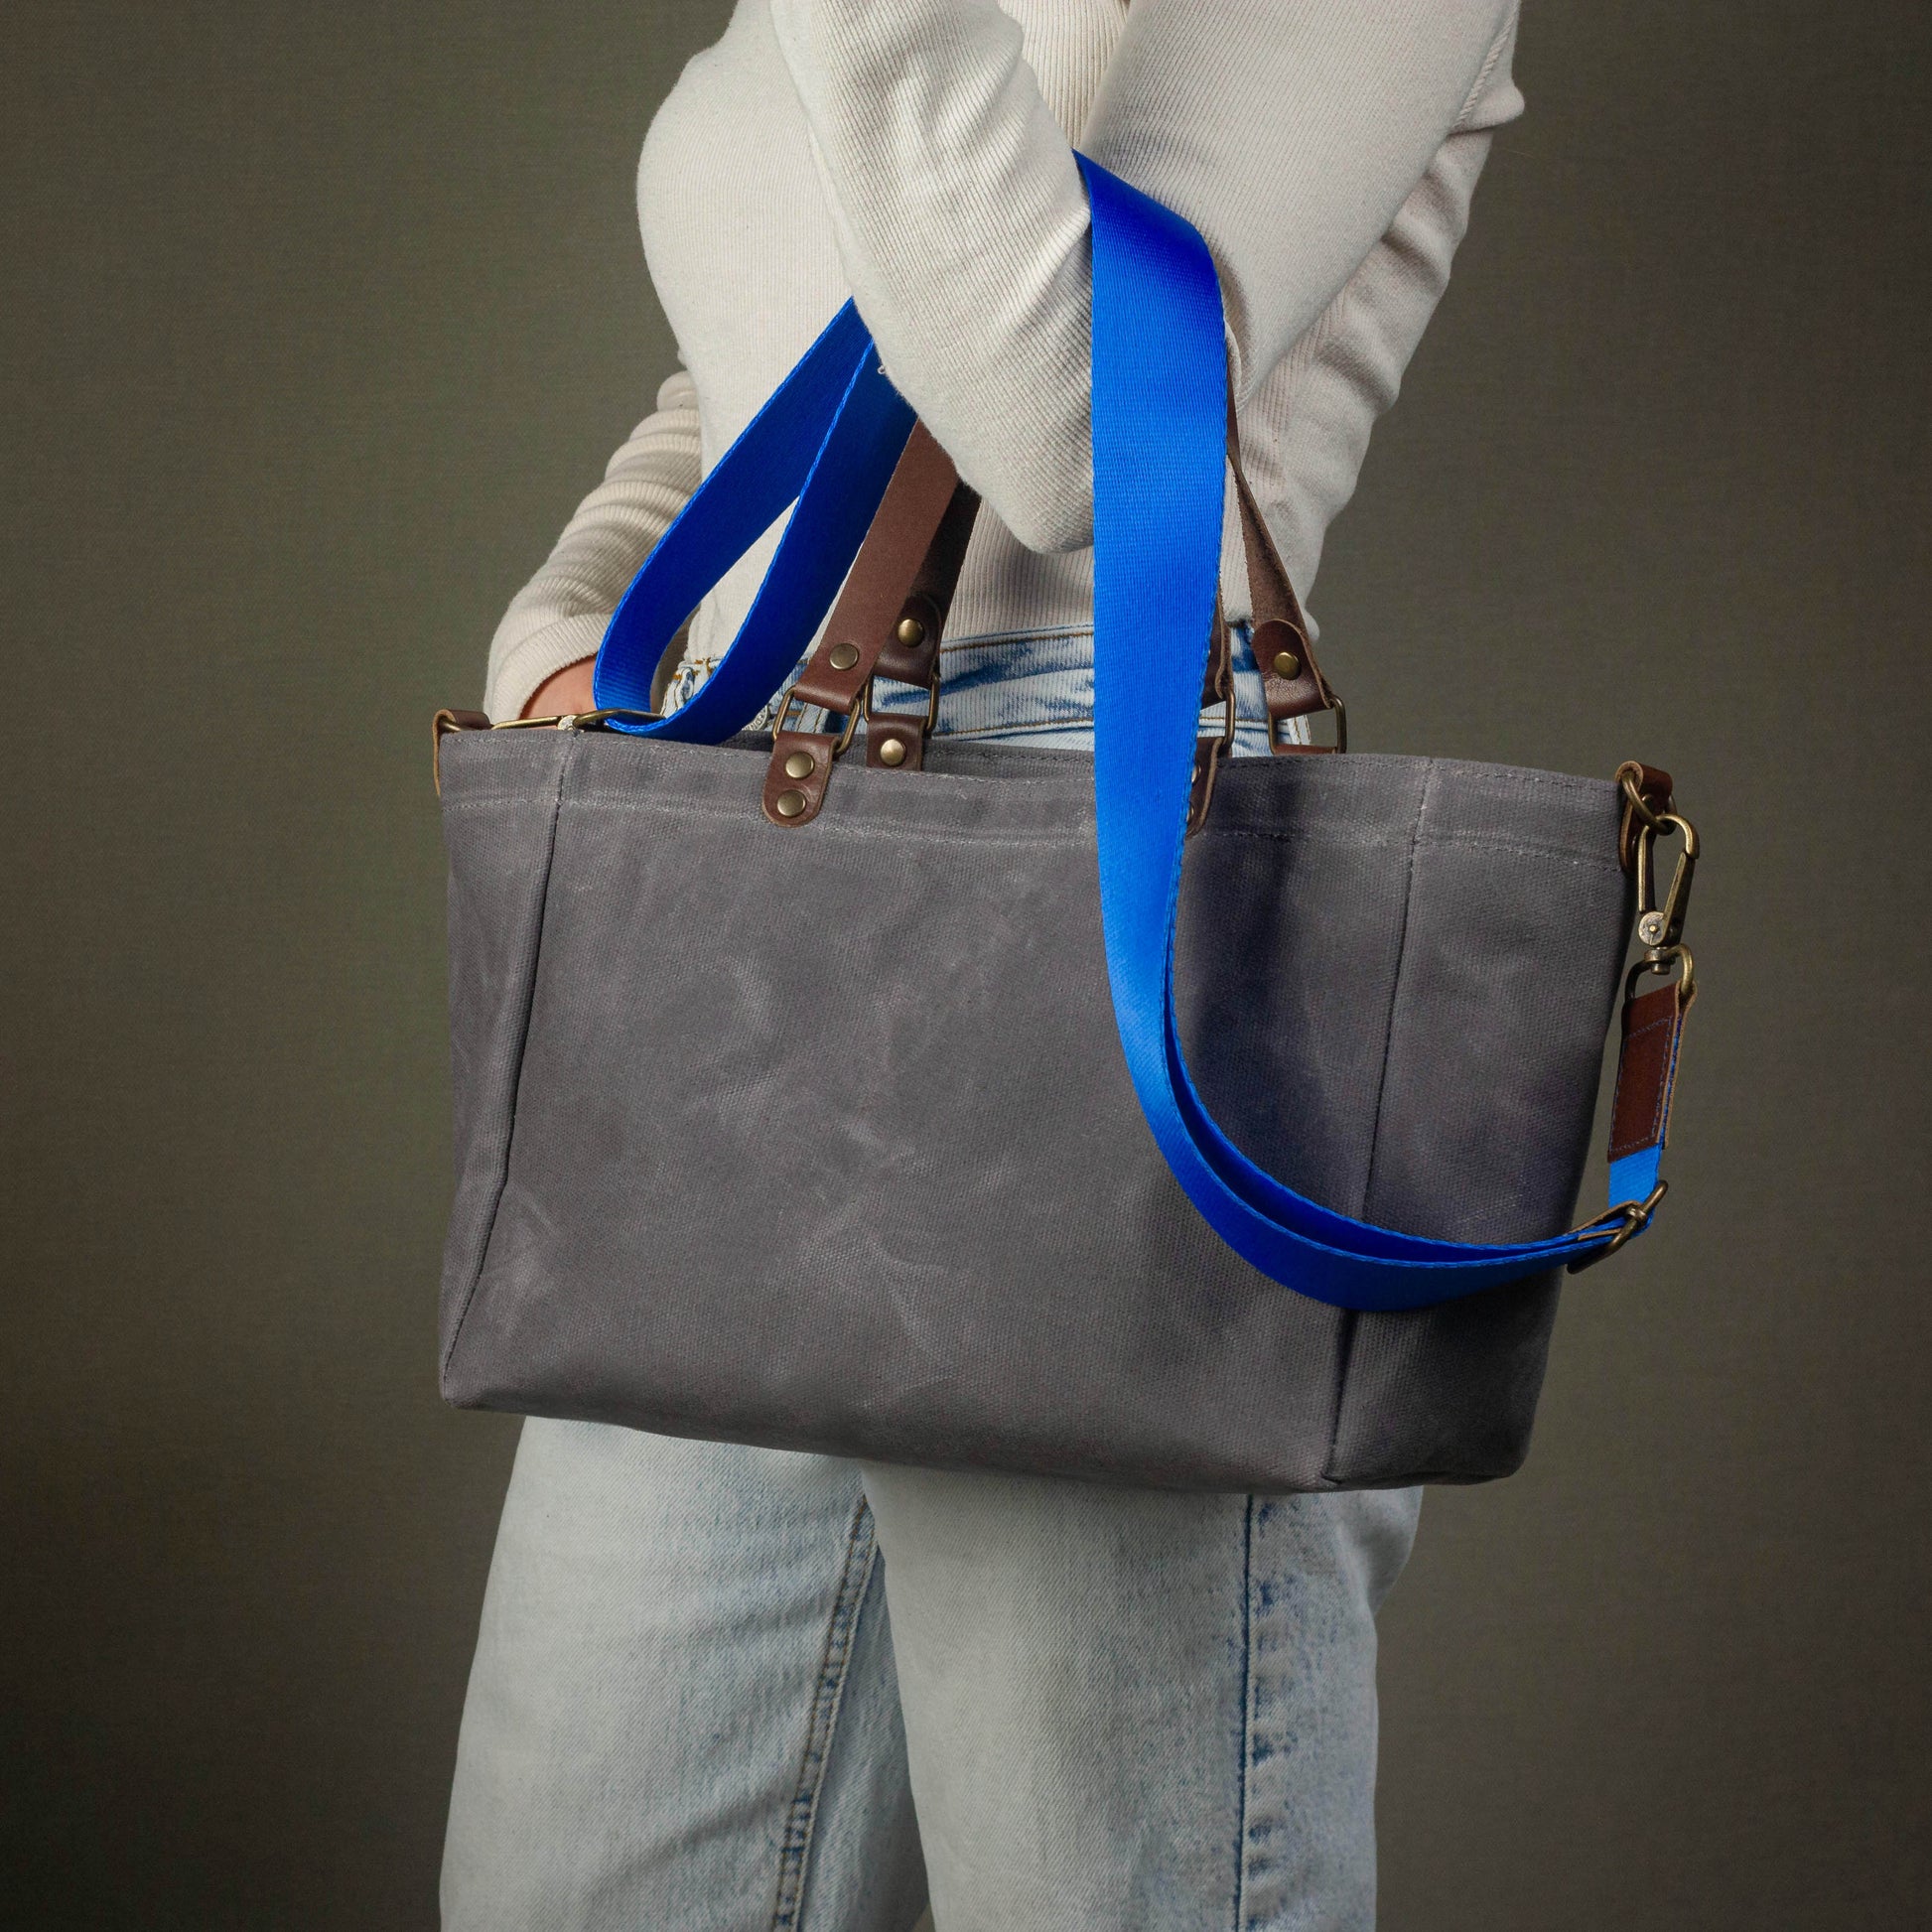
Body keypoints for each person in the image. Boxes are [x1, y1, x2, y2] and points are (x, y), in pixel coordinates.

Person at [442, 4, 1526, 1926]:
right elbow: (750, 377)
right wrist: (572, 640)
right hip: (740, 924)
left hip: (1089, 886)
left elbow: (1072, 423)